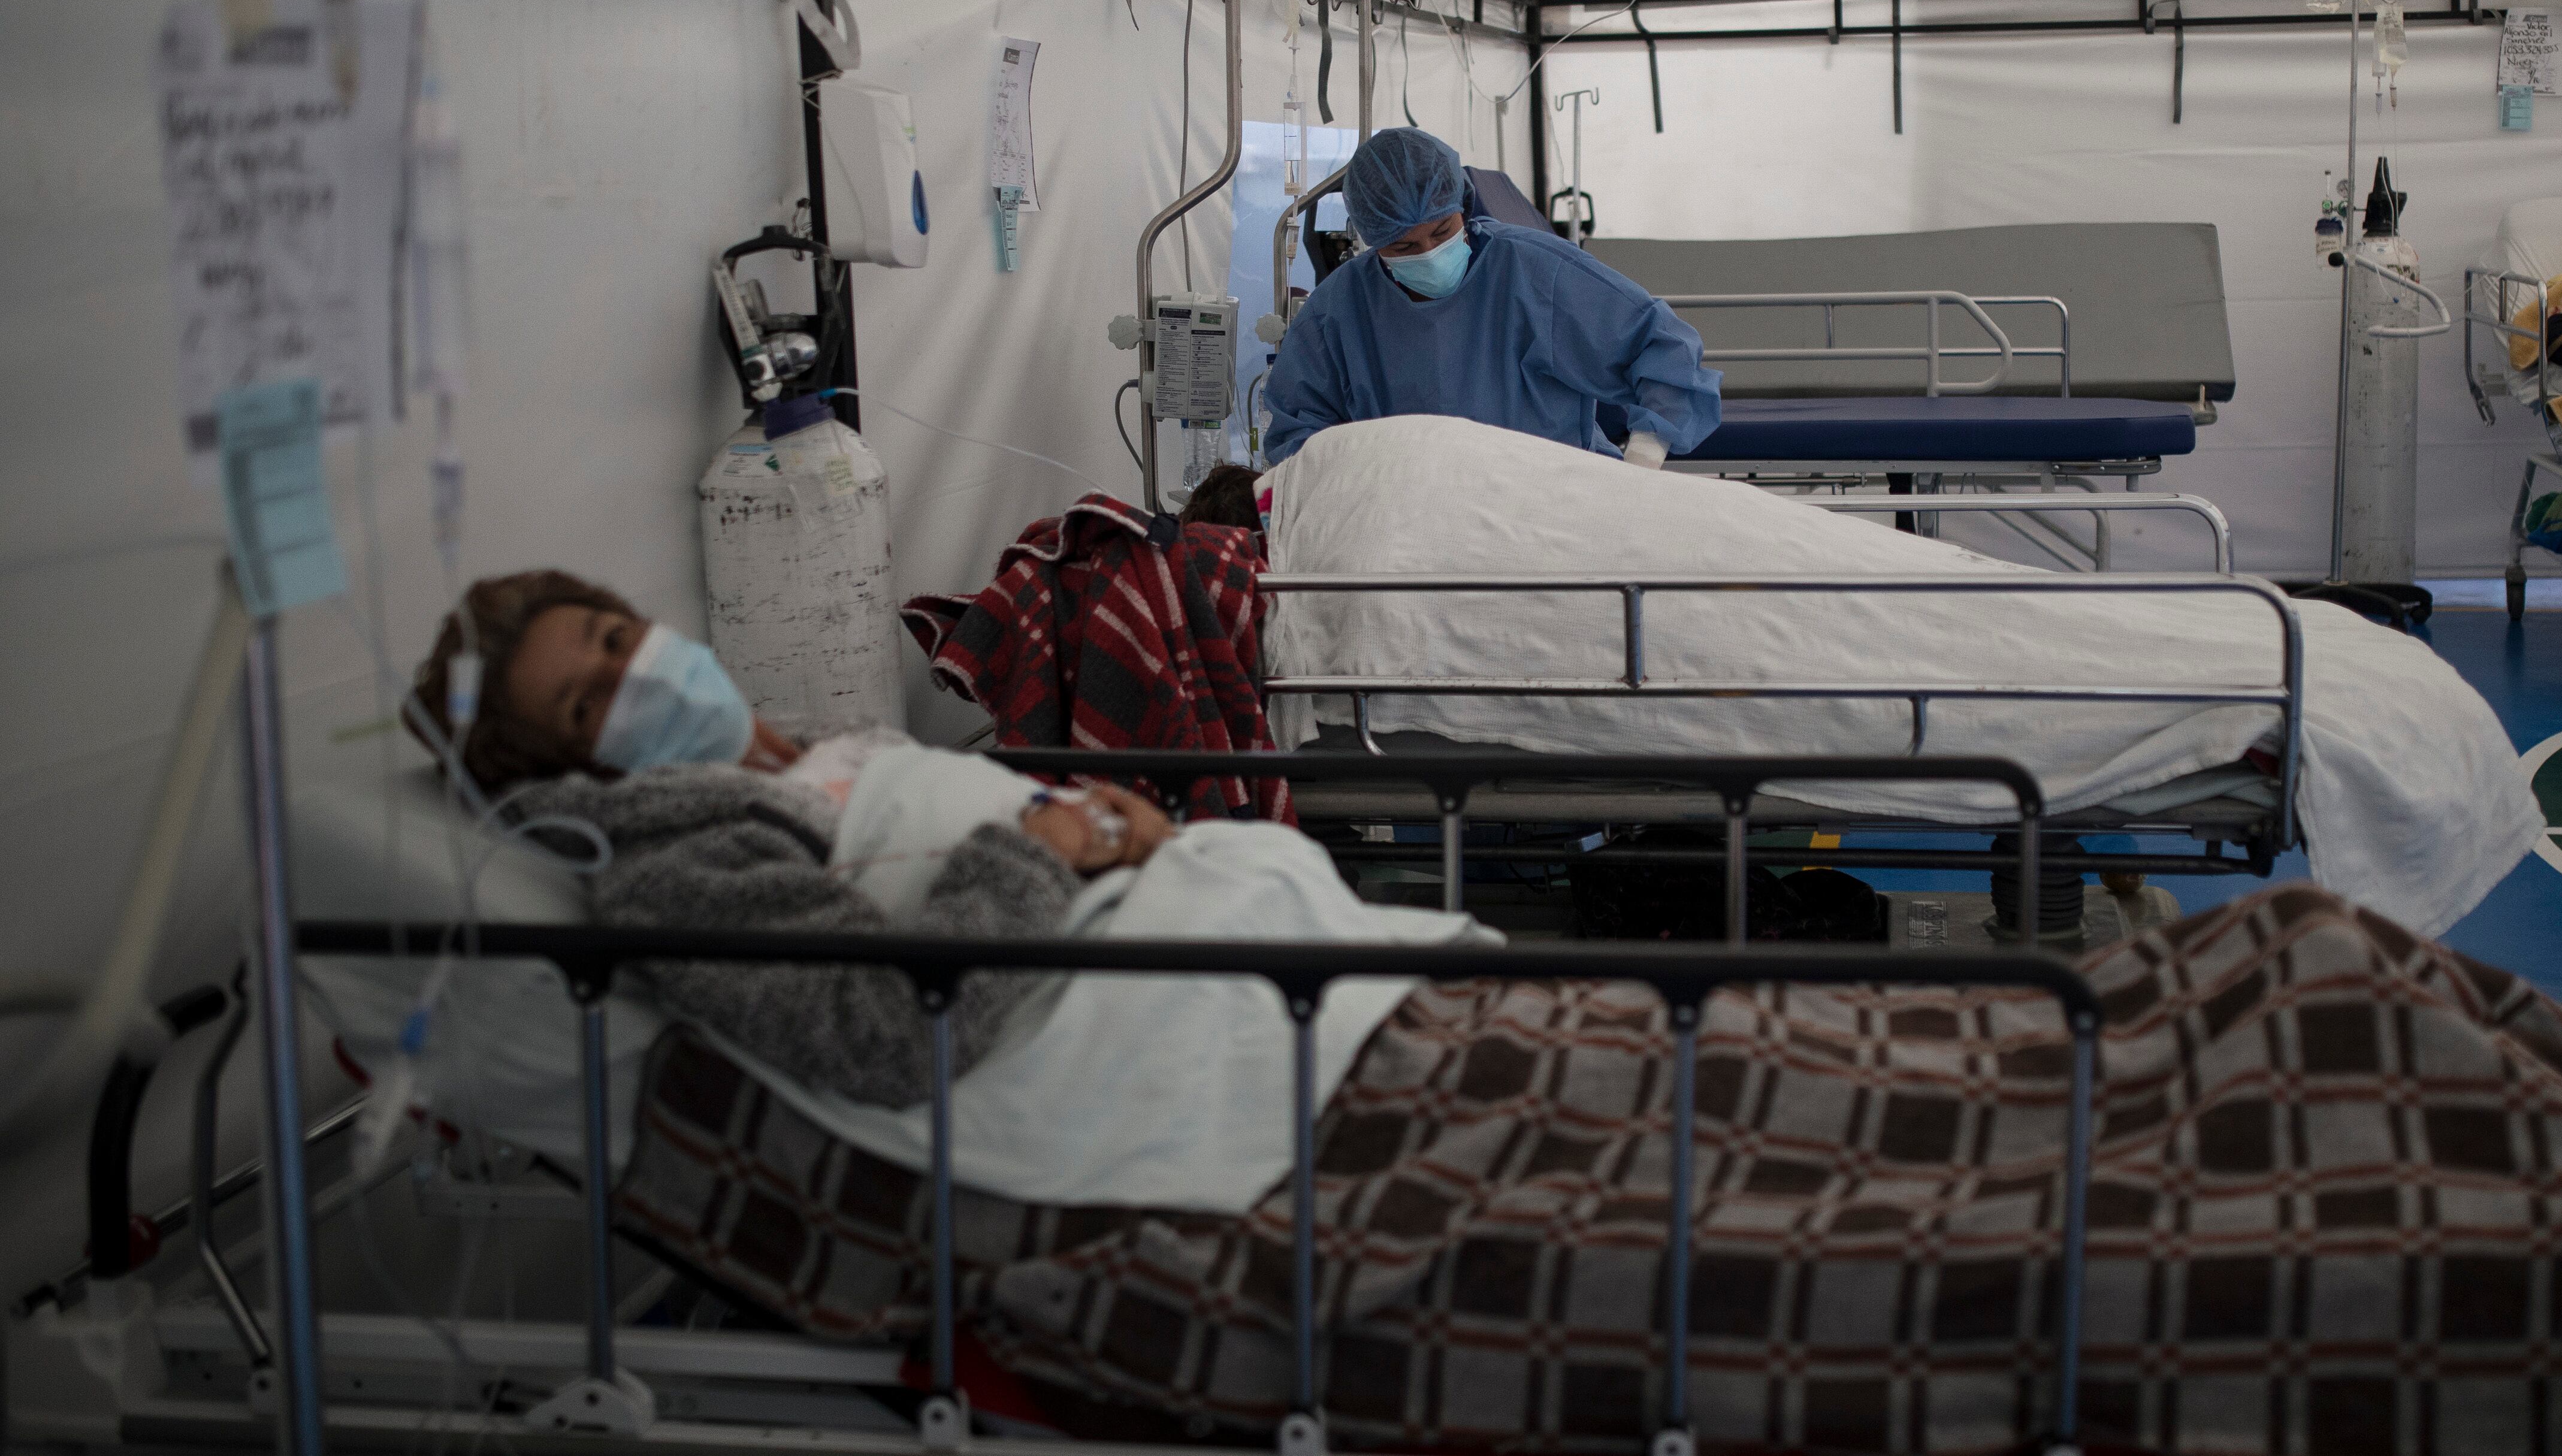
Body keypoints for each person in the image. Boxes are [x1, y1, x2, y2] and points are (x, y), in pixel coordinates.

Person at [404, 570, 1170, 1102]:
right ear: (577, 768)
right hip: (1138, 1016)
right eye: (585, 705)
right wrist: (1040, 850)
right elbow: (886, 1034)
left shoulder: (831, 746)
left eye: (614, 638)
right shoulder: (674, 864)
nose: (633, 672)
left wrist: (1124, 830)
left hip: (1175, 912)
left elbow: (1020, 824)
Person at [1261, 128, 1720, 467]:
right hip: (1413, 523)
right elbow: (1299, 431)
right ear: (1370, 239)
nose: (1429, 254)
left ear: (1463, 204)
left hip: (1556, 503)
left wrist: (1643, 455)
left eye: (1443, 232)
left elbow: (1663, 346)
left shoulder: (1533, 271)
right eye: (1404, 247)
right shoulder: (1338, 312)